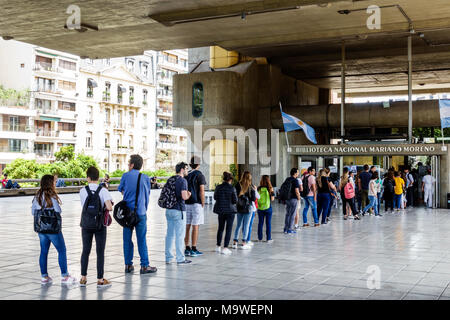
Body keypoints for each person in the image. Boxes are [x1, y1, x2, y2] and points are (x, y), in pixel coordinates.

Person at [32, 174, 76, 285]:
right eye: (54, 182)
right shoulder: (52, 196)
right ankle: (64, 275)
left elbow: (33, 212)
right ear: (50, 183)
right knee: (62, 250)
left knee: (43, 252)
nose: (55, 183)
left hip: (41, 229)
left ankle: (44, 277)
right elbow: (58, 210)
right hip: (53, 229)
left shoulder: (37, 196)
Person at [119, 154, 157, 274]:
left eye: (129, 163)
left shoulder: (125, 176)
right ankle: (144, 266)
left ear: (133, 164)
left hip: (127, 214)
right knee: (141, 239)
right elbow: (147, 195)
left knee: (127, 240)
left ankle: (128, 265)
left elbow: (121, 190)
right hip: (140, 213)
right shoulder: (145, 178)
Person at [79, 166, 113, 288]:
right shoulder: (103, 190)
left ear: (88, 177)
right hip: (99, 225)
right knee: (100, 252)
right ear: (98, 177)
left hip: (86, 224)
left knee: (85, 250)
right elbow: (109, 207)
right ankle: (100, 279)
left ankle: (83, 278)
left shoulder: (82, 190)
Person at [165, 162, 192, 265]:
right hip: (178, 210)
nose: (187, 170)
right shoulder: (182, 181)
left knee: (169, 235)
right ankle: (180, 258)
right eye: (186, 168)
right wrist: (189, 194)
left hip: (169, 210)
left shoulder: (170, 179)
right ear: (182, 169)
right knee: (180, 235)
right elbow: (184, 196)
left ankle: (168, 257)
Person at [184, 156, 206, 257]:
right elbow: (201, 190)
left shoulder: (186, 175)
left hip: (187, 203)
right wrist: (203, 202)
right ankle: (194, 248)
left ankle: (186, 248)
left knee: (187, 226)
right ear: (199, 164)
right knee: (195, 226)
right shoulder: (199, 175)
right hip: (196, 203)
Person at [213, 172, 238, 255]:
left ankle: (218, 246)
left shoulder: (218, 187)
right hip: (230, 211)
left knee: (220, 228)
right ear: (230, 180)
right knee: (228, 229)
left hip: (221, 210)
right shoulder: (232, 188)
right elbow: (235, 200)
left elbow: (215, 197)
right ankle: (225, 248)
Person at [232, 171, 256, 249]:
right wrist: (254, 190)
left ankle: (235, 242)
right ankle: (244, 243)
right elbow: (253, 199)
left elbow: (235, 196)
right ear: (250, 177)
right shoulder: (250, 186)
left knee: (238, 225)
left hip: (239, 208)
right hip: (248, 208)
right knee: (246, 225)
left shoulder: (238, 185)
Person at [282, 168, 301, 233]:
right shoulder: (295, 180)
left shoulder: (287, 179)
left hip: (287, 199)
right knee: (293, 214)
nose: (298, 173)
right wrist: (299, 198)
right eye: (298, 172)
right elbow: (296, 191)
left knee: (288, 214)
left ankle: (285, 228)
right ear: (295, 173)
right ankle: (290, 229)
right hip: (293, 199)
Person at [257, 175, 275, 243]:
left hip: (260, 208)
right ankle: (268, 238)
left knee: (260, 223)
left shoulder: (258, 188)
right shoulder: (270, 188)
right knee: (268, 223)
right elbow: (272, 199)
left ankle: (260, 238)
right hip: (268, 208)